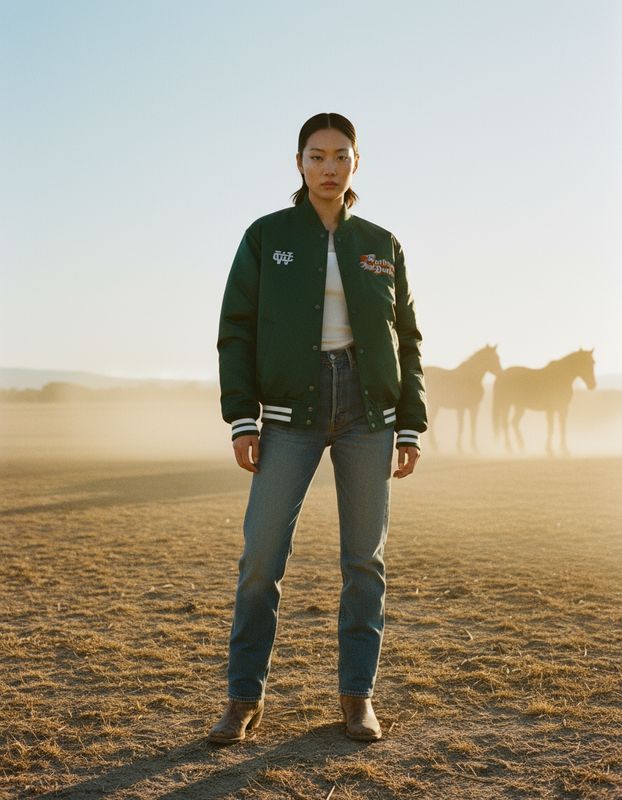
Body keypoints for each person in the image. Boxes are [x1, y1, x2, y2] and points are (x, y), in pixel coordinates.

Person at [208, 112, 427, 745]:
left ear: (356, 163)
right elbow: (236, 329)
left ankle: (357, 698)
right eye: (316, 156)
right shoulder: (266, 236)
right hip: (287, 414)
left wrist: (409, 425)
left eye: (340, 156)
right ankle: (242, 698)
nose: (328, 167)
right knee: (261, 559)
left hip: (368, 414)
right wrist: (240, 416)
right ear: (298, 163)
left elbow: (407, 339)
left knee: (365, 561)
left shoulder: (382, 243)